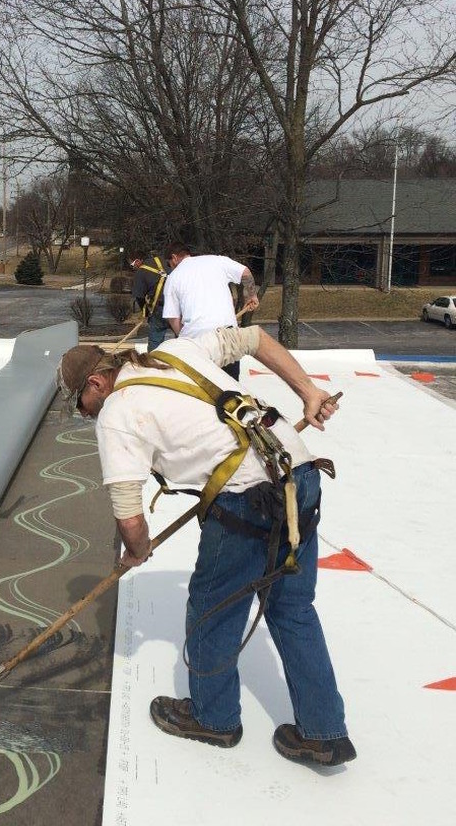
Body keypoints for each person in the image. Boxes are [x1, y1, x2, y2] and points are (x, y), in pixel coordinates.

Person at [55, 327, 356, 767]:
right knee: (293, 609)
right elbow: (253, 337)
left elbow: (129, 515)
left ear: (97, 384)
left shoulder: (118, 413)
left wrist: (136, 550)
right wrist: (307, 390)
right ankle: (325, 733)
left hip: (247, 501)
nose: (83, 414)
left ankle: (214, 718)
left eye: (79, 403)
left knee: (212, 610)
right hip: (299, 475)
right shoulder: (175, 351)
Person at [162, 244, 260, 380]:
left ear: (174, 258)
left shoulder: (172, 278)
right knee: (231, 387)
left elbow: (172, 317)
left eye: (169, 264)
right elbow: (245, 273)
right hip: (227, 336)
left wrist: (183, 338)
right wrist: (251, 295)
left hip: (196, 340)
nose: (170, 267)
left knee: (201, 391)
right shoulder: (217, 261)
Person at [131, 252, 171, 351]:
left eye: (133, 264)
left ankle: (153, 361)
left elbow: (139, 296)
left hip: (160, 309)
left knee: (155, 339)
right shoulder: (169, 261)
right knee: (183, 338)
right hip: (179, 308)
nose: (133, 267)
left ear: (138, 260)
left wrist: (146, 312)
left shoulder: (141, 271)